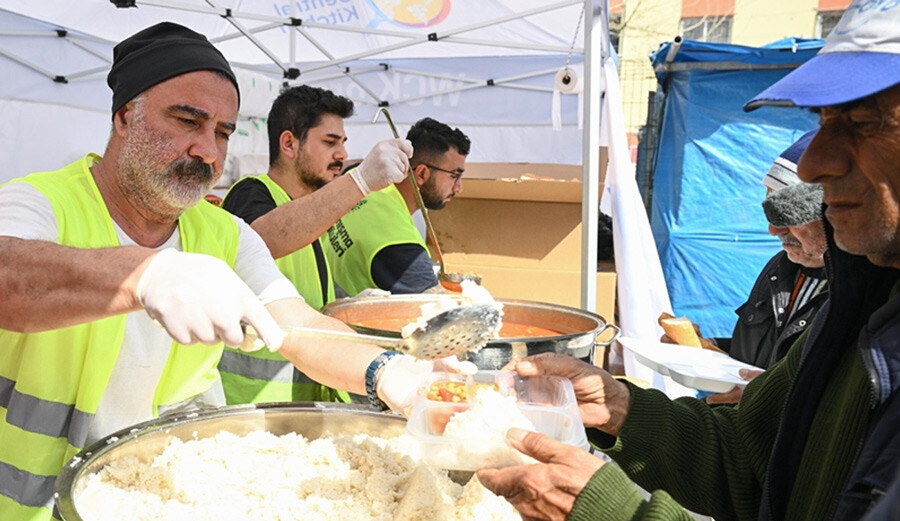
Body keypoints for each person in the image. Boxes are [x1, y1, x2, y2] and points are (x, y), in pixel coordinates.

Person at [0, 22, 453, 521]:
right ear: (126, 116)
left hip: (157, 501)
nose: (209, 152)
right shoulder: (39, 201)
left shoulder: (224, 234)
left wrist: (390, 371)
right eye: (187, 122)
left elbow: (298, 326)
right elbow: (7, 274)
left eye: (222, 133)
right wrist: (145, 274)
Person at [478, 3, 900, 520]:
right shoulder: (861, 304)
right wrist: (621, 409)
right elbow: (750, 460)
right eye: (824, 121)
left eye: (863, 122)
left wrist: (617, 513)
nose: (813, 163)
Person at [219, 85, 409, 405]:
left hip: (304, 401)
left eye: (343, 143)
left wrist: (344, 308)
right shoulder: (250, 192)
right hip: (253, 405)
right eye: (330, 142)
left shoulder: (313, 212)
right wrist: (360, 181)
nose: (342, 155)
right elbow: (259, 241)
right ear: (289, 144)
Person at [667, 131, 829, 404]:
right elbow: (766, 355)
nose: (773, 230)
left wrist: (768, 399)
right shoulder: (781, 268)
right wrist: (708, 350)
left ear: (832, 212)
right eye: (769, 213)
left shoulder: (866, 294)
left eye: (787, 215)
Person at [325, 117, 471, 296]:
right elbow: (440, 309)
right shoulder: (401, 247)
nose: (459, 187)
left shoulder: (357, 176)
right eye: (454, 176)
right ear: (421, 173)